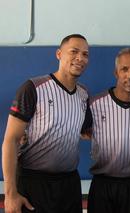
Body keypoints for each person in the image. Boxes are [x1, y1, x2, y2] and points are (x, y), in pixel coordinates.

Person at [2, 34, 91, 213]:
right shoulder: (32, 88)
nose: (80, 58)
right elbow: (10, 140)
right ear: (59, 54)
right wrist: (10, 194)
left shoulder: (84, 95)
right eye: (74, 51)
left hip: (69, 185)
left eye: (85, 54)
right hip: (33, 183)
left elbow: (84, 131)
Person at [87, 48, 130, 213]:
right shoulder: (95, 104)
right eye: (124, 69)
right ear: (116, 72)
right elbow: (81, 130)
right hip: (103, 185)